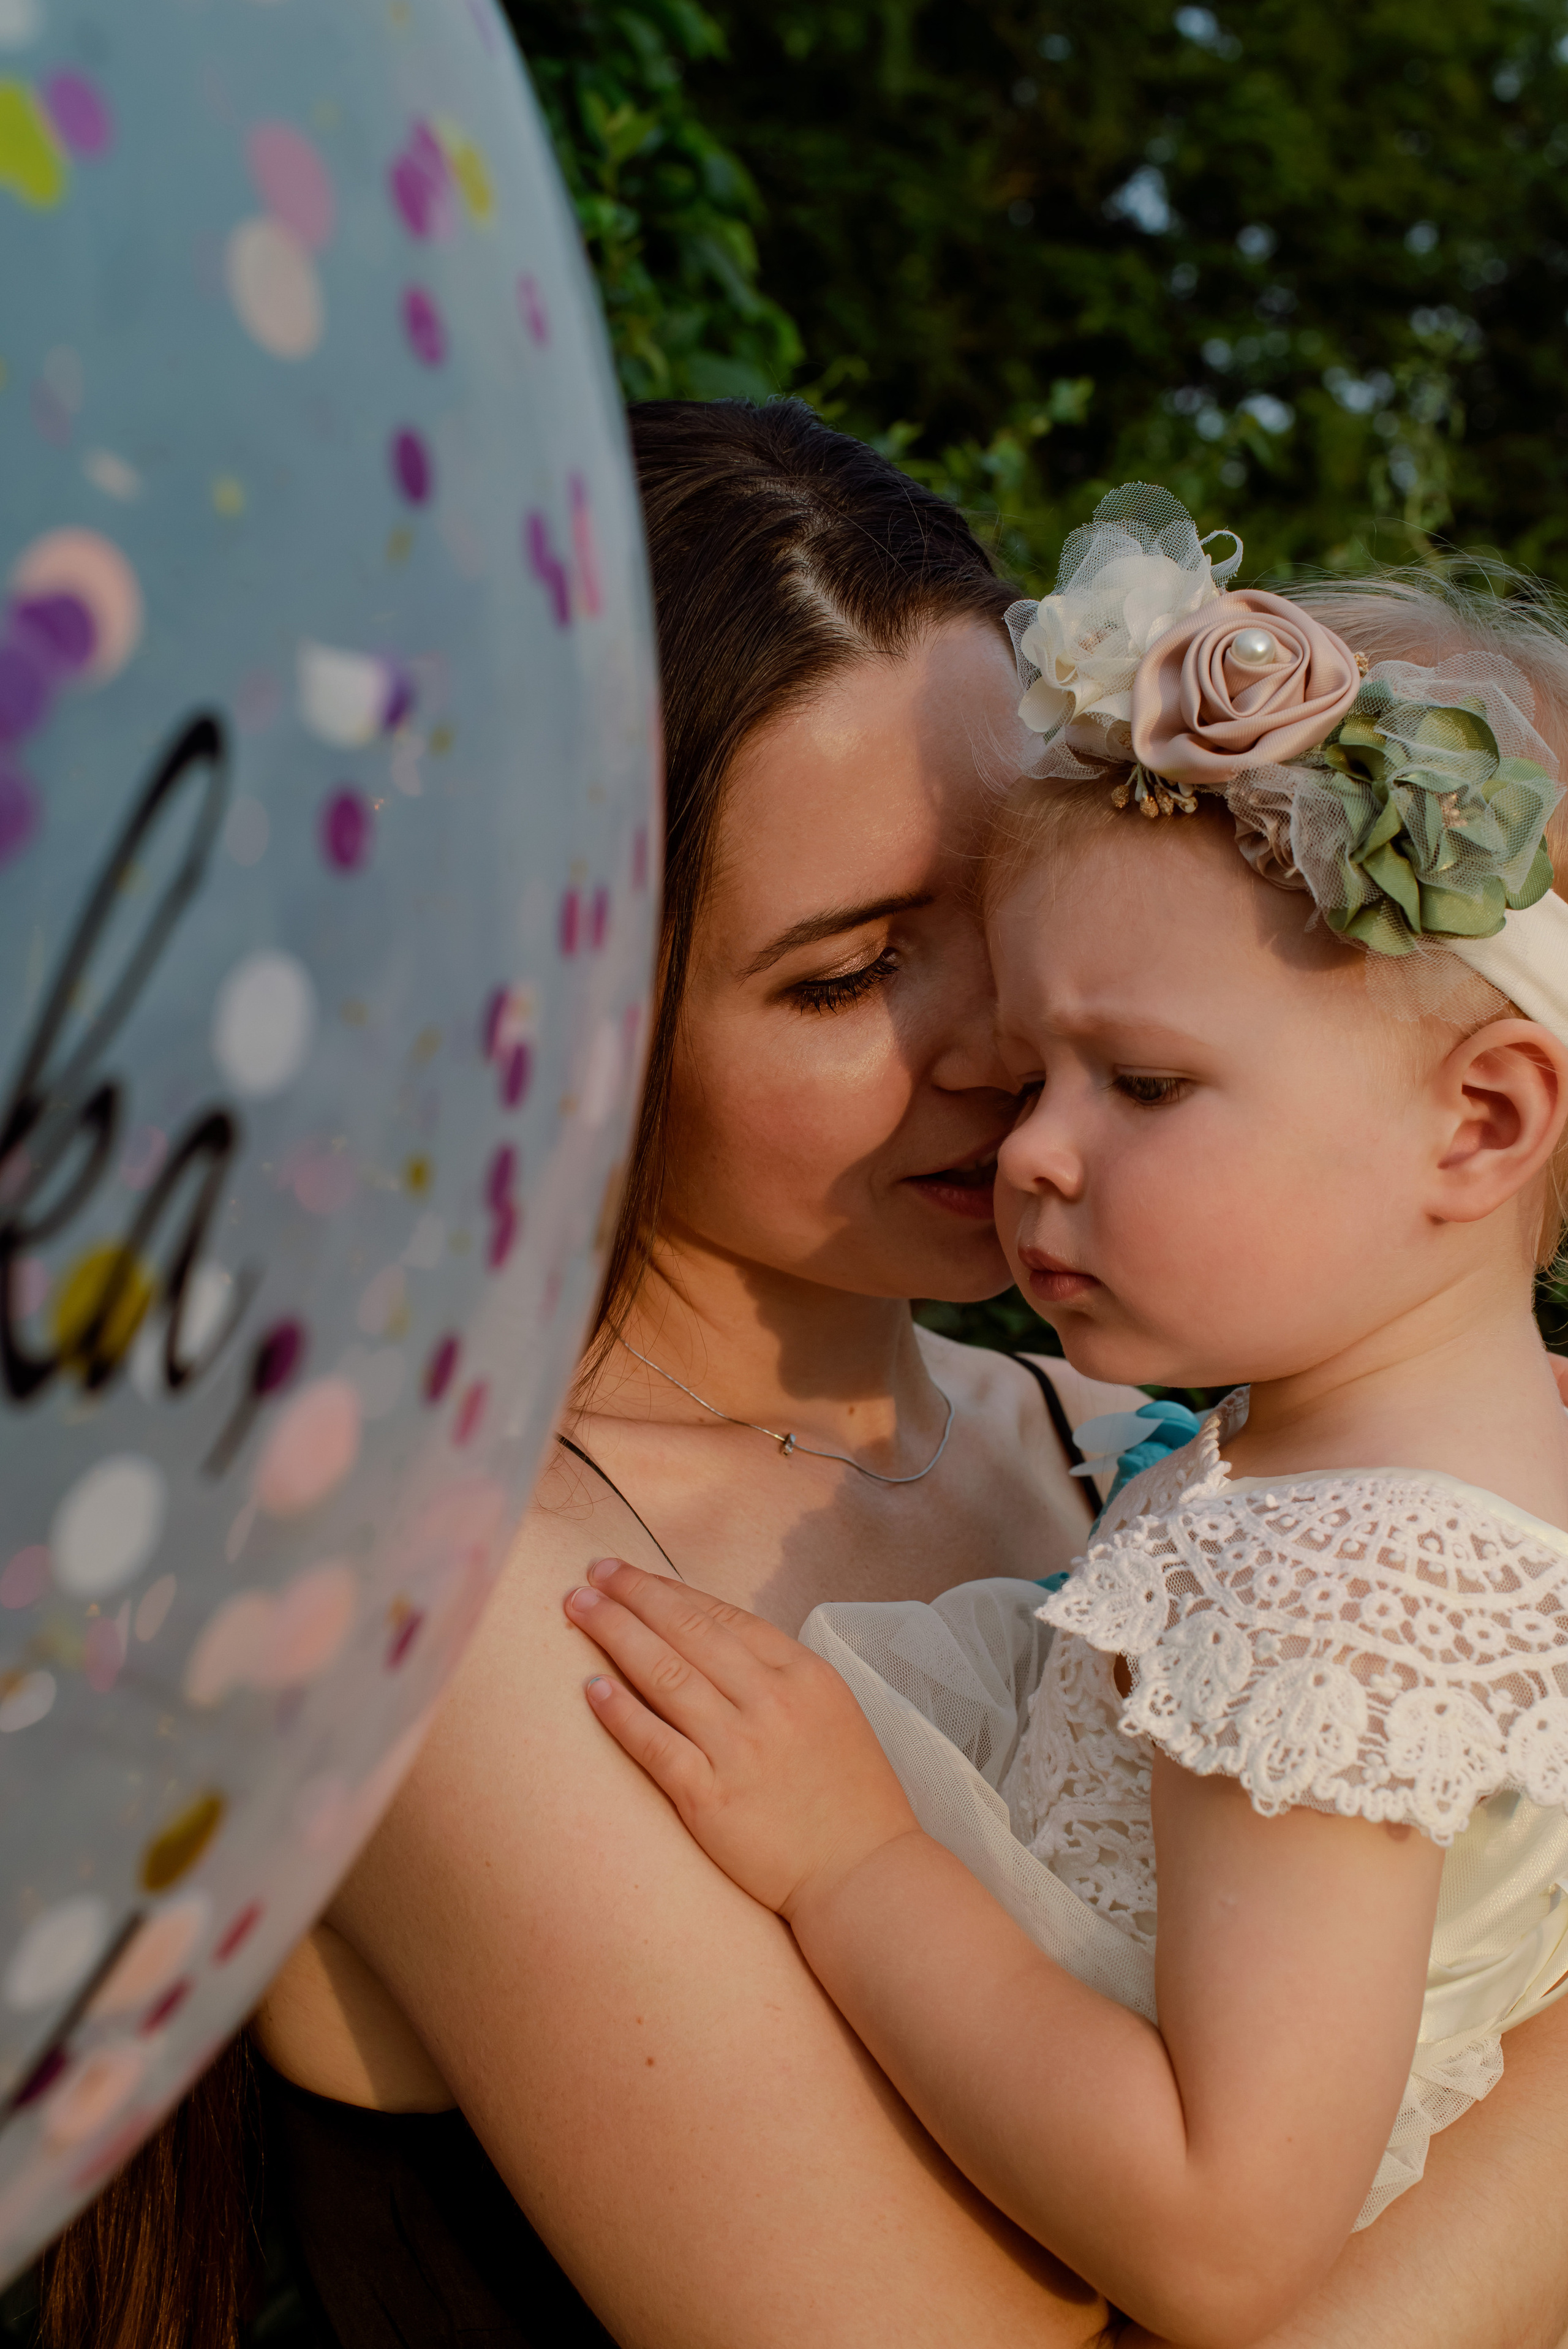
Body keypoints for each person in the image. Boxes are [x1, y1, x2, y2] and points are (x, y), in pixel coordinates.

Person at [43, 408, 1568, 2348]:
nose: (1005, 1046)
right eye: (848, 975)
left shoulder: (1163, 1449)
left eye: (1023, 909)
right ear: (554, 1028)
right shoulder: (464, 1594)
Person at [562, 486, 1568, 2346]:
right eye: (853, 971)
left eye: (1145, 1079)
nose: (1022, 1128)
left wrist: (859, 1863)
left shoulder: (1326, 1575)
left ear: (1487, 1121)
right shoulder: (1441, 1477)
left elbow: (1219, 2239)